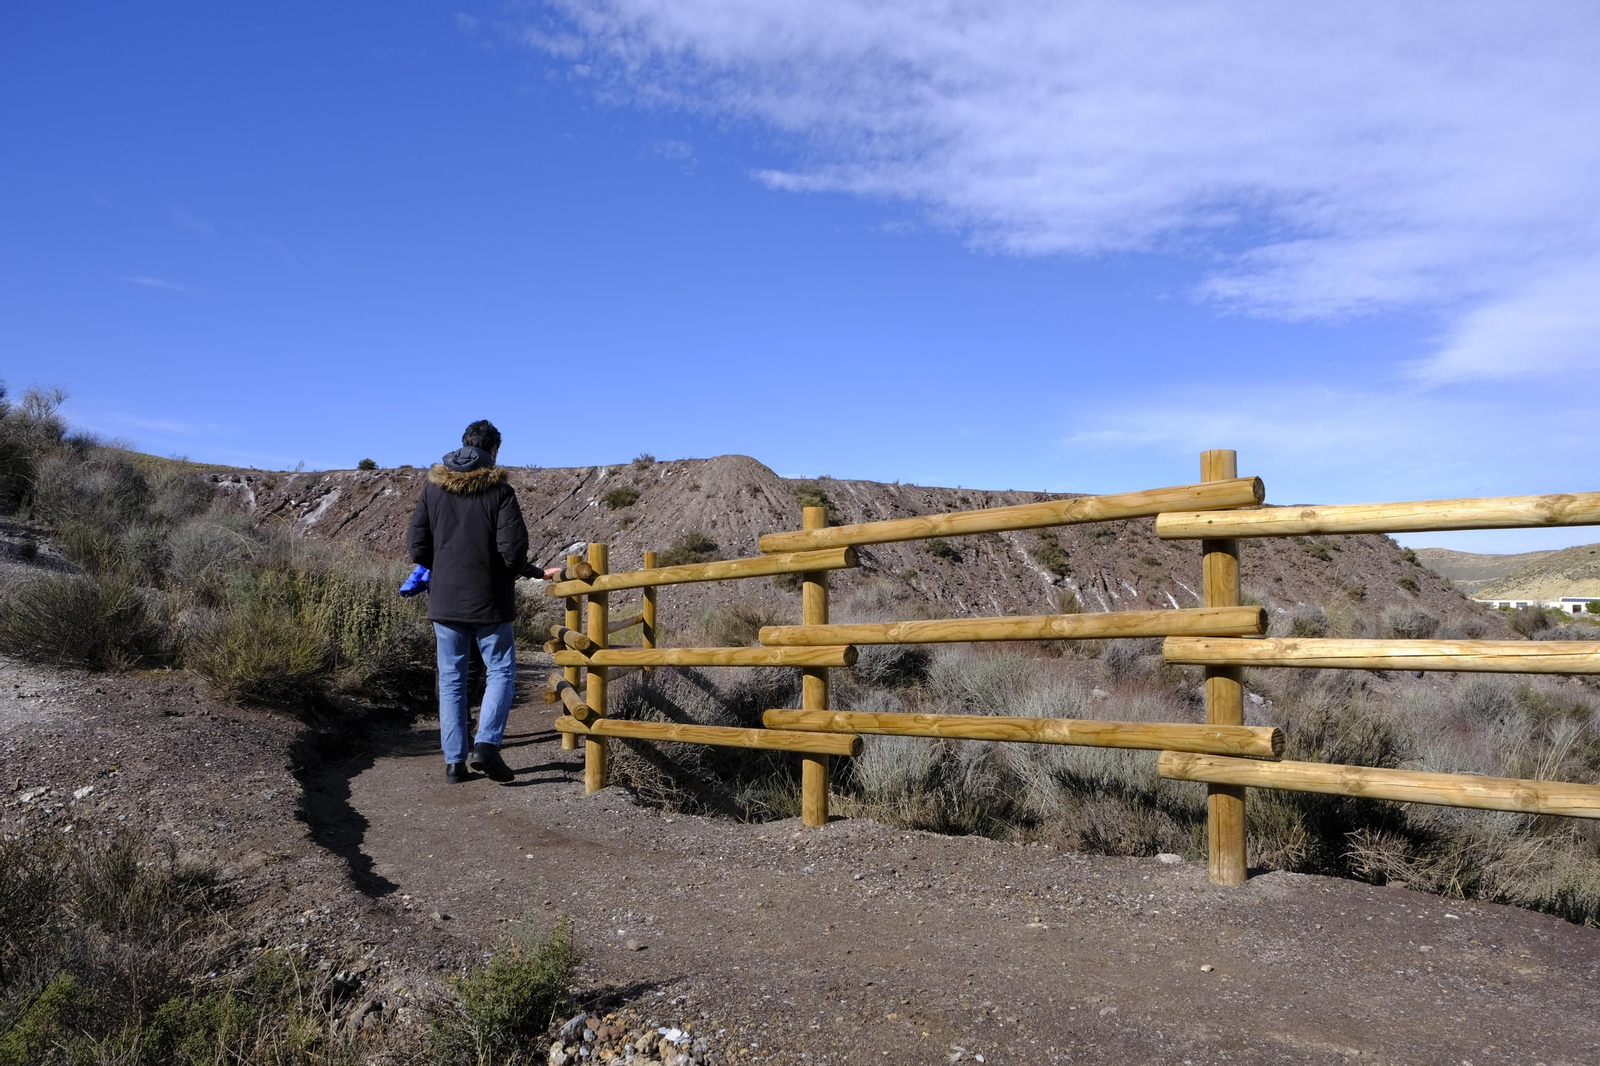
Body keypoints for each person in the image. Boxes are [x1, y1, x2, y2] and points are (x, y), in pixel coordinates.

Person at [406, 419, 563, 784]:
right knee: (501, 671)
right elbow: (511, 553)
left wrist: (445, 569)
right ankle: (488, 745)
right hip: (490, 600)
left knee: (451, 679)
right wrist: (535, 572)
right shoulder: (500, 491)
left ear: (463, 445)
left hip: (445, 599)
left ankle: (453, 764)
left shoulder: (433, 490)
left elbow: (417, 546)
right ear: (493, 451)